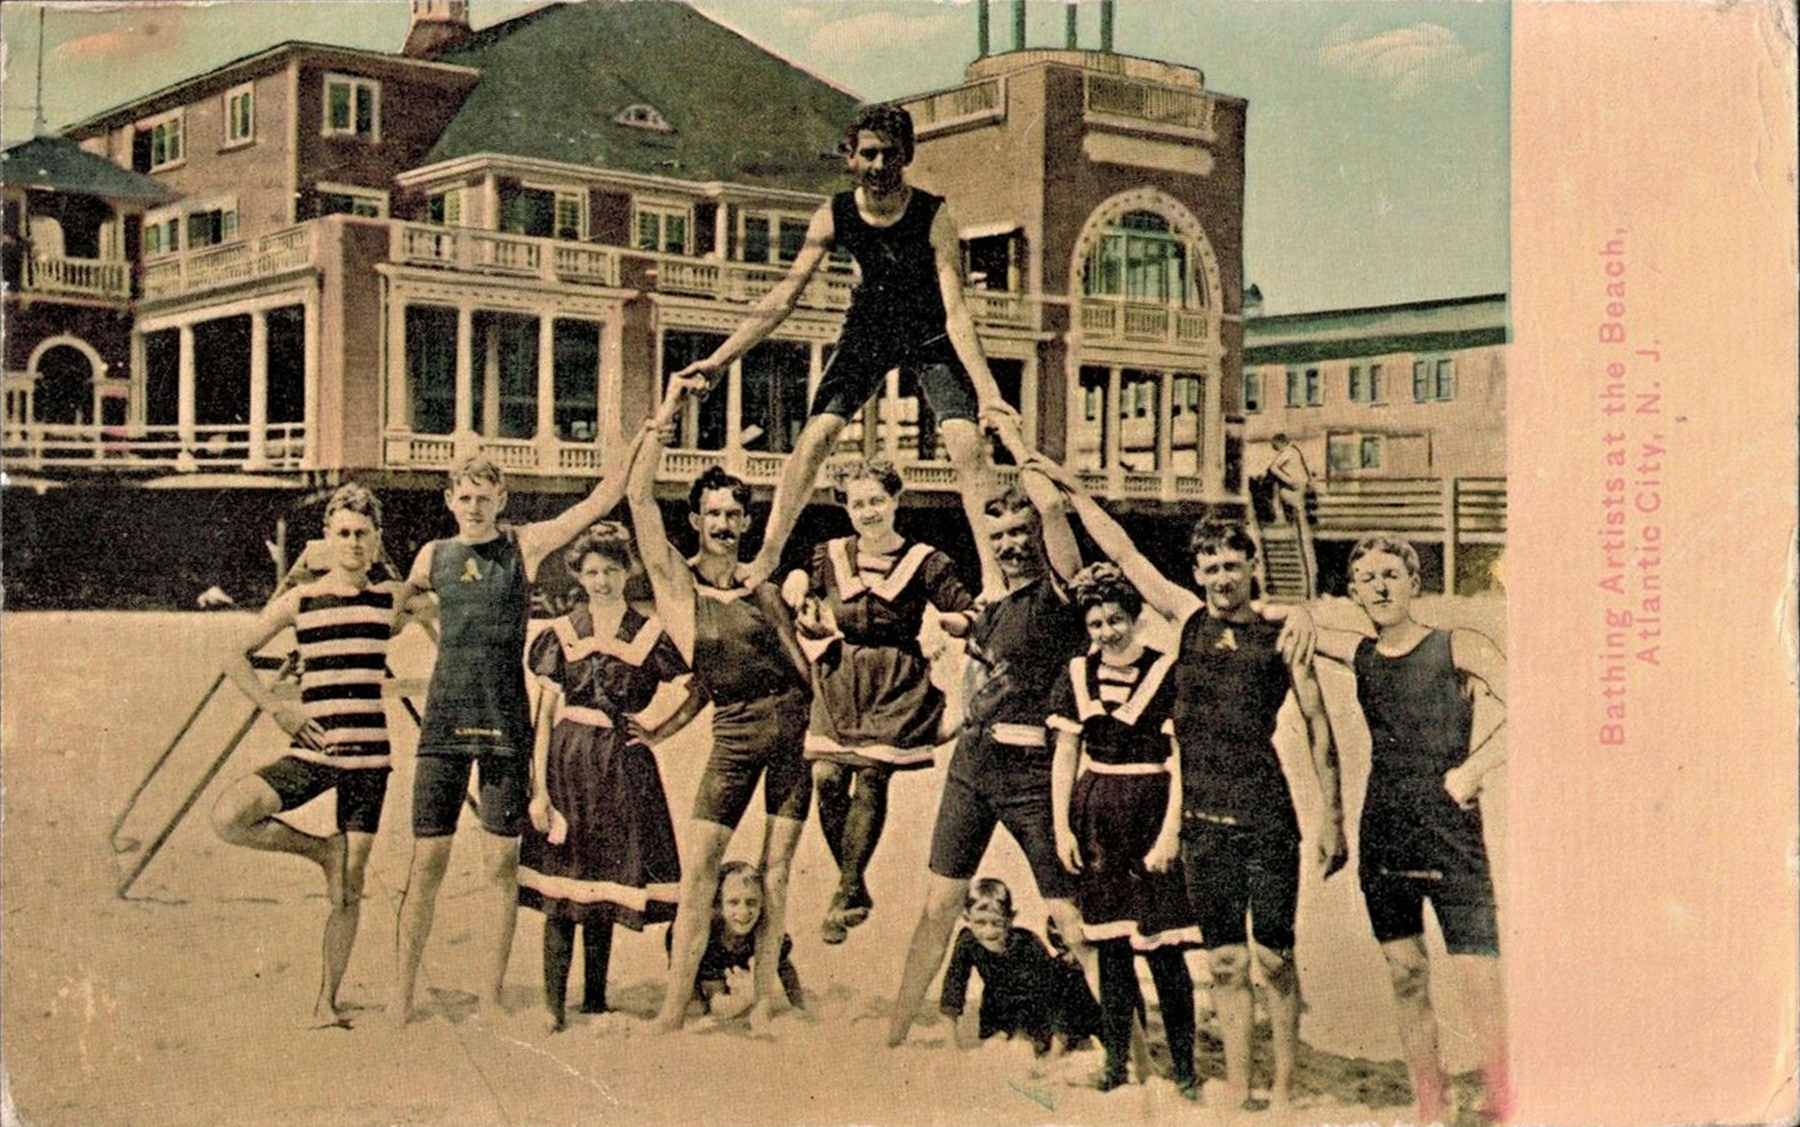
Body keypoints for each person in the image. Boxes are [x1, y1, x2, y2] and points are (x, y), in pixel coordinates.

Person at [1027, 456, 1339, 1109]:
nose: (1222, 577)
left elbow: (1318, 726)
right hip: (1198, 819)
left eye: (1233, 565)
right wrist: (1080, 492)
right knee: (1223, 961)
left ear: (1251, 567)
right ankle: (1242, 1085)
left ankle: (1281, 1086)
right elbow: (1125, 551)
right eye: (1212, 567)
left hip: (1265, 813)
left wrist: (1333, 820)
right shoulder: (1190, 618)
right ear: (1198, 572)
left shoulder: (1282, 632)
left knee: (1274, 959)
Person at [663, 101, 1021, 594]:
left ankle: (993, 575)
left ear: (907, 155)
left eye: (889, 155)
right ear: (850, 157)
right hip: (869, 330)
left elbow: (957, 310)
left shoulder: (933, 215)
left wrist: (988, 394)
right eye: (868, 154)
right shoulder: (834, 215)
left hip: (929, 332)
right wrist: (720, 360)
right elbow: (783, 298)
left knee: (965, 444)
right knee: (814, 439)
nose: (879, 166)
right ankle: (766, 557)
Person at [391, 436, 646, 1025]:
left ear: (502, 498)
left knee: (500, 866)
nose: (475, 506)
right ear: (450, 500)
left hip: (506, 724)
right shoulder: (432, 555)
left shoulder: (523, 545)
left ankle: (489, 995)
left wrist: (637, 444)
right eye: (465, 497)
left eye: (485, 497)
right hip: (444, 723)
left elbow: (599, 501)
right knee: (426, 862)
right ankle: (401, 993)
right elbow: (391, 612)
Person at [887, 466, 1093, 1048]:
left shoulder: (1060, 594)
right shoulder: (993, 608)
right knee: (939, 906)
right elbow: (973, 691)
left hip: (1033, 775)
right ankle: (895, 1035)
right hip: (973, 769)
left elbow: (1055, 516)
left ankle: (1137, 1056)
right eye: (998, 535)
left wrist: (1024, 459)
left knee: (1069, 918)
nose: (1010, 544)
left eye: (1019, 532)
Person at [627, 416, 814, 1032]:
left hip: (793, 732)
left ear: (745, 521)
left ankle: (764, 999)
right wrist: (661, 425)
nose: (725, 525)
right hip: (733, 738)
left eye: (734, 514)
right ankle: (674, 1004)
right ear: (696, 520)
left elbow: (798, 661)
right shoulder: (678, 584)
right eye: (714, 514)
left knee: (777, 872)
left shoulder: (763, 586)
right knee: (701, 867)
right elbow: (637, 498)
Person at [1315, 535, 1510, 1123]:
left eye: (1390, 575)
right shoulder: (1359, 654)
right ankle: (1431, 1102)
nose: (1379, 586)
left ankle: (1504, 1099)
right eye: (1366, 577)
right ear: (1351, 592)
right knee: (1405, 973)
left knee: (1479, 977)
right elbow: (1279, 623)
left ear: (1413, 583)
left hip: (1450, 830)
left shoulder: (1458, 646)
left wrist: (1473, 769)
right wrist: (1295, 613)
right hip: (1385, 829)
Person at [212, 484, 420, 1028]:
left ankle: (327, 1000)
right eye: (343, 533)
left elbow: (452, 606)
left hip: (370, 760)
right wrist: (278, 712)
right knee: (229, 815)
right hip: (314, 751)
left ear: (377, 542)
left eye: (362, 534)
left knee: (349, 890)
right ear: (326, 540)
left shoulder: (391, 600)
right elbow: (234, 654)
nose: (352, 542)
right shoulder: (300, 601)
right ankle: (317, 851)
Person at [520, 522, 707, 1032]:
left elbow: (698, 688)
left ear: (628, 572)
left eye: (611, 570)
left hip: (623, 766)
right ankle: (552, 1008)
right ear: (578, 575)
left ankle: (596, 1000)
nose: (601, 581)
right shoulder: (560, 633)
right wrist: (538, 788)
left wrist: (658, 731)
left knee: (603, 883)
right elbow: (544, 716)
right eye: (592, 572)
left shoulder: (648, 634)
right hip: (568, 759)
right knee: (563, 889)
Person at [786, 458, 975, 944]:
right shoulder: (827, 553)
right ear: (845, 506)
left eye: (877, 500)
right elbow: (803, 591)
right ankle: (854, 886)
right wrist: (800, 596)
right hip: (839, 675)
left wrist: (949, 627)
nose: (868, 511)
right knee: (825, 777)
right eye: (857, 502)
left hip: (896, 680)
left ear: (895, 501)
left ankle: (845, 891)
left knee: (871, 776)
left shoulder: (925, 561)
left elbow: (968, 611)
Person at [1047, 563, 1200, 1097]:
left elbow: (1181, 759)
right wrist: (1061, 826)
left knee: (1163, 949)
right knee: (1110, 949)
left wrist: (1170, 833)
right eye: (1095, 624)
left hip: (1151, 810)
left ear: (1134, 618)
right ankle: (1117, 1063)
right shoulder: (1076, 674)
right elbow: (1066, 753)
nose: (1107, 632)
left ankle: (1184, 1068)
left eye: (1115, 620)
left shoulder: (1166, 671)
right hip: (1096, 817)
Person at [938, 878, 1101, 1054]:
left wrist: (1054, 1052)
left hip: (1038, 1008)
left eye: (997, 923)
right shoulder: (967, 941)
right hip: (999, 1007)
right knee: (995, 1048)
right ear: (967, 918)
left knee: (1022, 1049)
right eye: (980, 922)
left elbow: (1054, 996)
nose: (988, 931)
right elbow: (953, 988)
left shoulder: (1027, 945)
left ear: (1010, 918)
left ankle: (1077, 1037)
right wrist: (951, 1047)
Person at [662, 861, 804, 1020]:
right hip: (691, 946)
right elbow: (718, 1007)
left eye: (751, 902)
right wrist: (750, 993)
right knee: (698, 1008)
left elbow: (786, 970)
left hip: (733, 948)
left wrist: (799, 1006)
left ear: (762, 904)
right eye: (733, 903)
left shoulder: (765, 930)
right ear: (719, 905)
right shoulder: (708, 939)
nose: (743, 911)